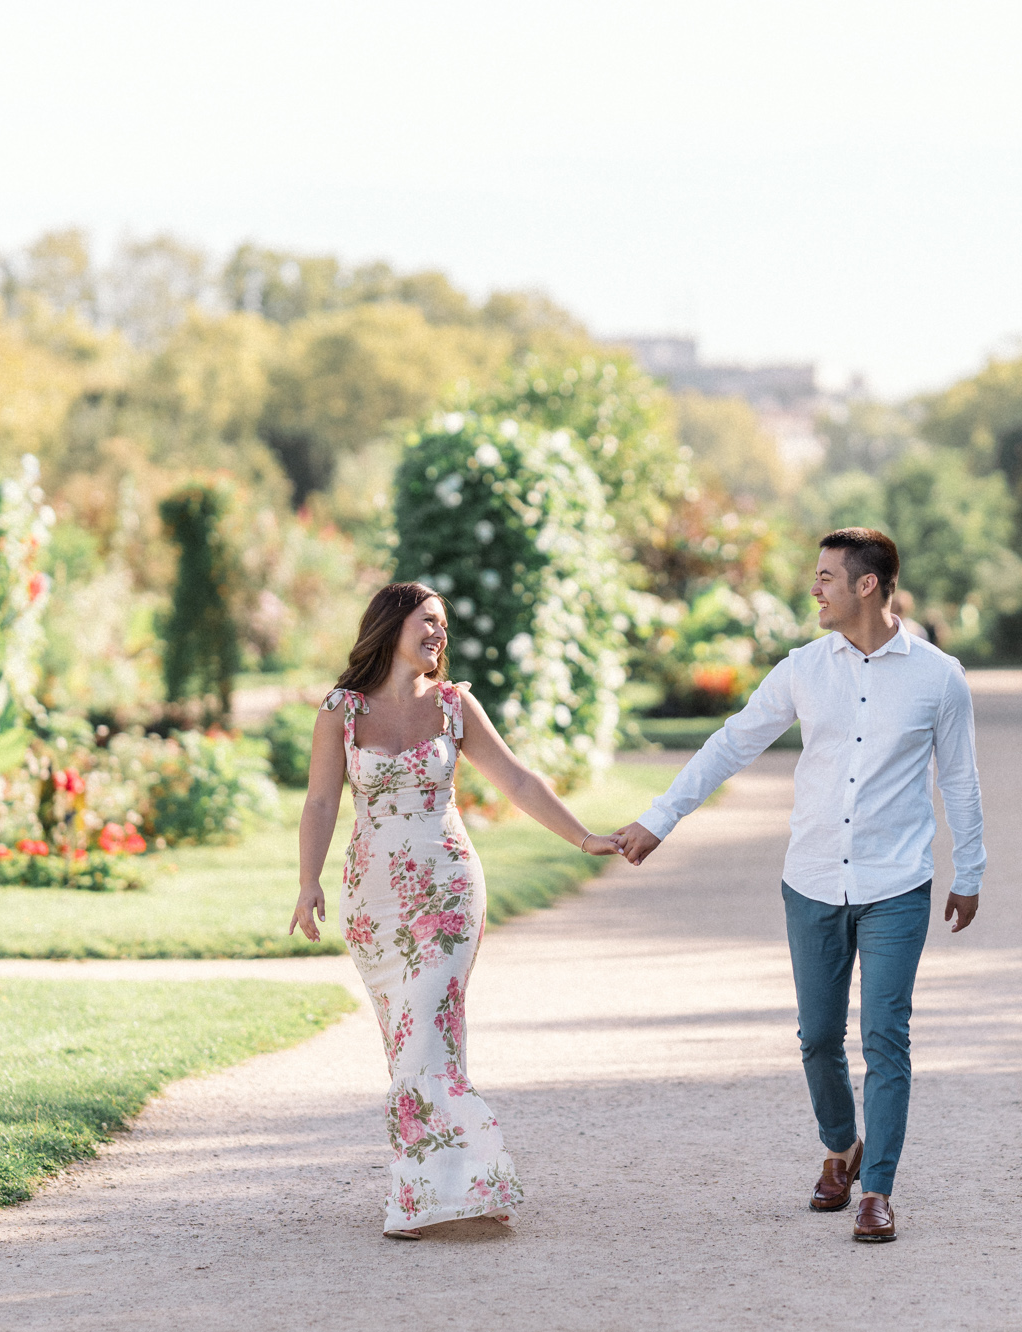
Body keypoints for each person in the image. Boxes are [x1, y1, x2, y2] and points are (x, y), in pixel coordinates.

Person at [612, 528, 985, 1243]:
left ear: (866, 585)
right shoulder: (802, 669)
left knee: (886, 1035)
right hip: (812, 879)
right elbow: (731, 742)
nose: (814, 589)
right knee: (817, 1037)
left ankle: (877, 1188)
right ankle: (841, 1145)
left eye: (825, 577)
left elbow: (960, 779)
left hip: (895, 883)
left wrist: (970, 871)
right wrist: (661, 818)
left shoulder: (939, 676)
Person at [290, 582, 621, 1238]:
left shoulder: (453, 705)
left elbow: (519, 779)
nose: (438, 634)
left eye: (442, 623)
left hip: (446, 890)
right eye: (427, 622)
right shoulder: (341, 710)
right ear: (391, 627)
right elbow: (322, 802)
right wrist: (308, 884)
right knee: (409, 1042)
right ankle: (469, 1179)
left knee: (429, 1034)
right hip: (373, 900)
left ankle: (423, 1198)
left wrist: (583, 837)